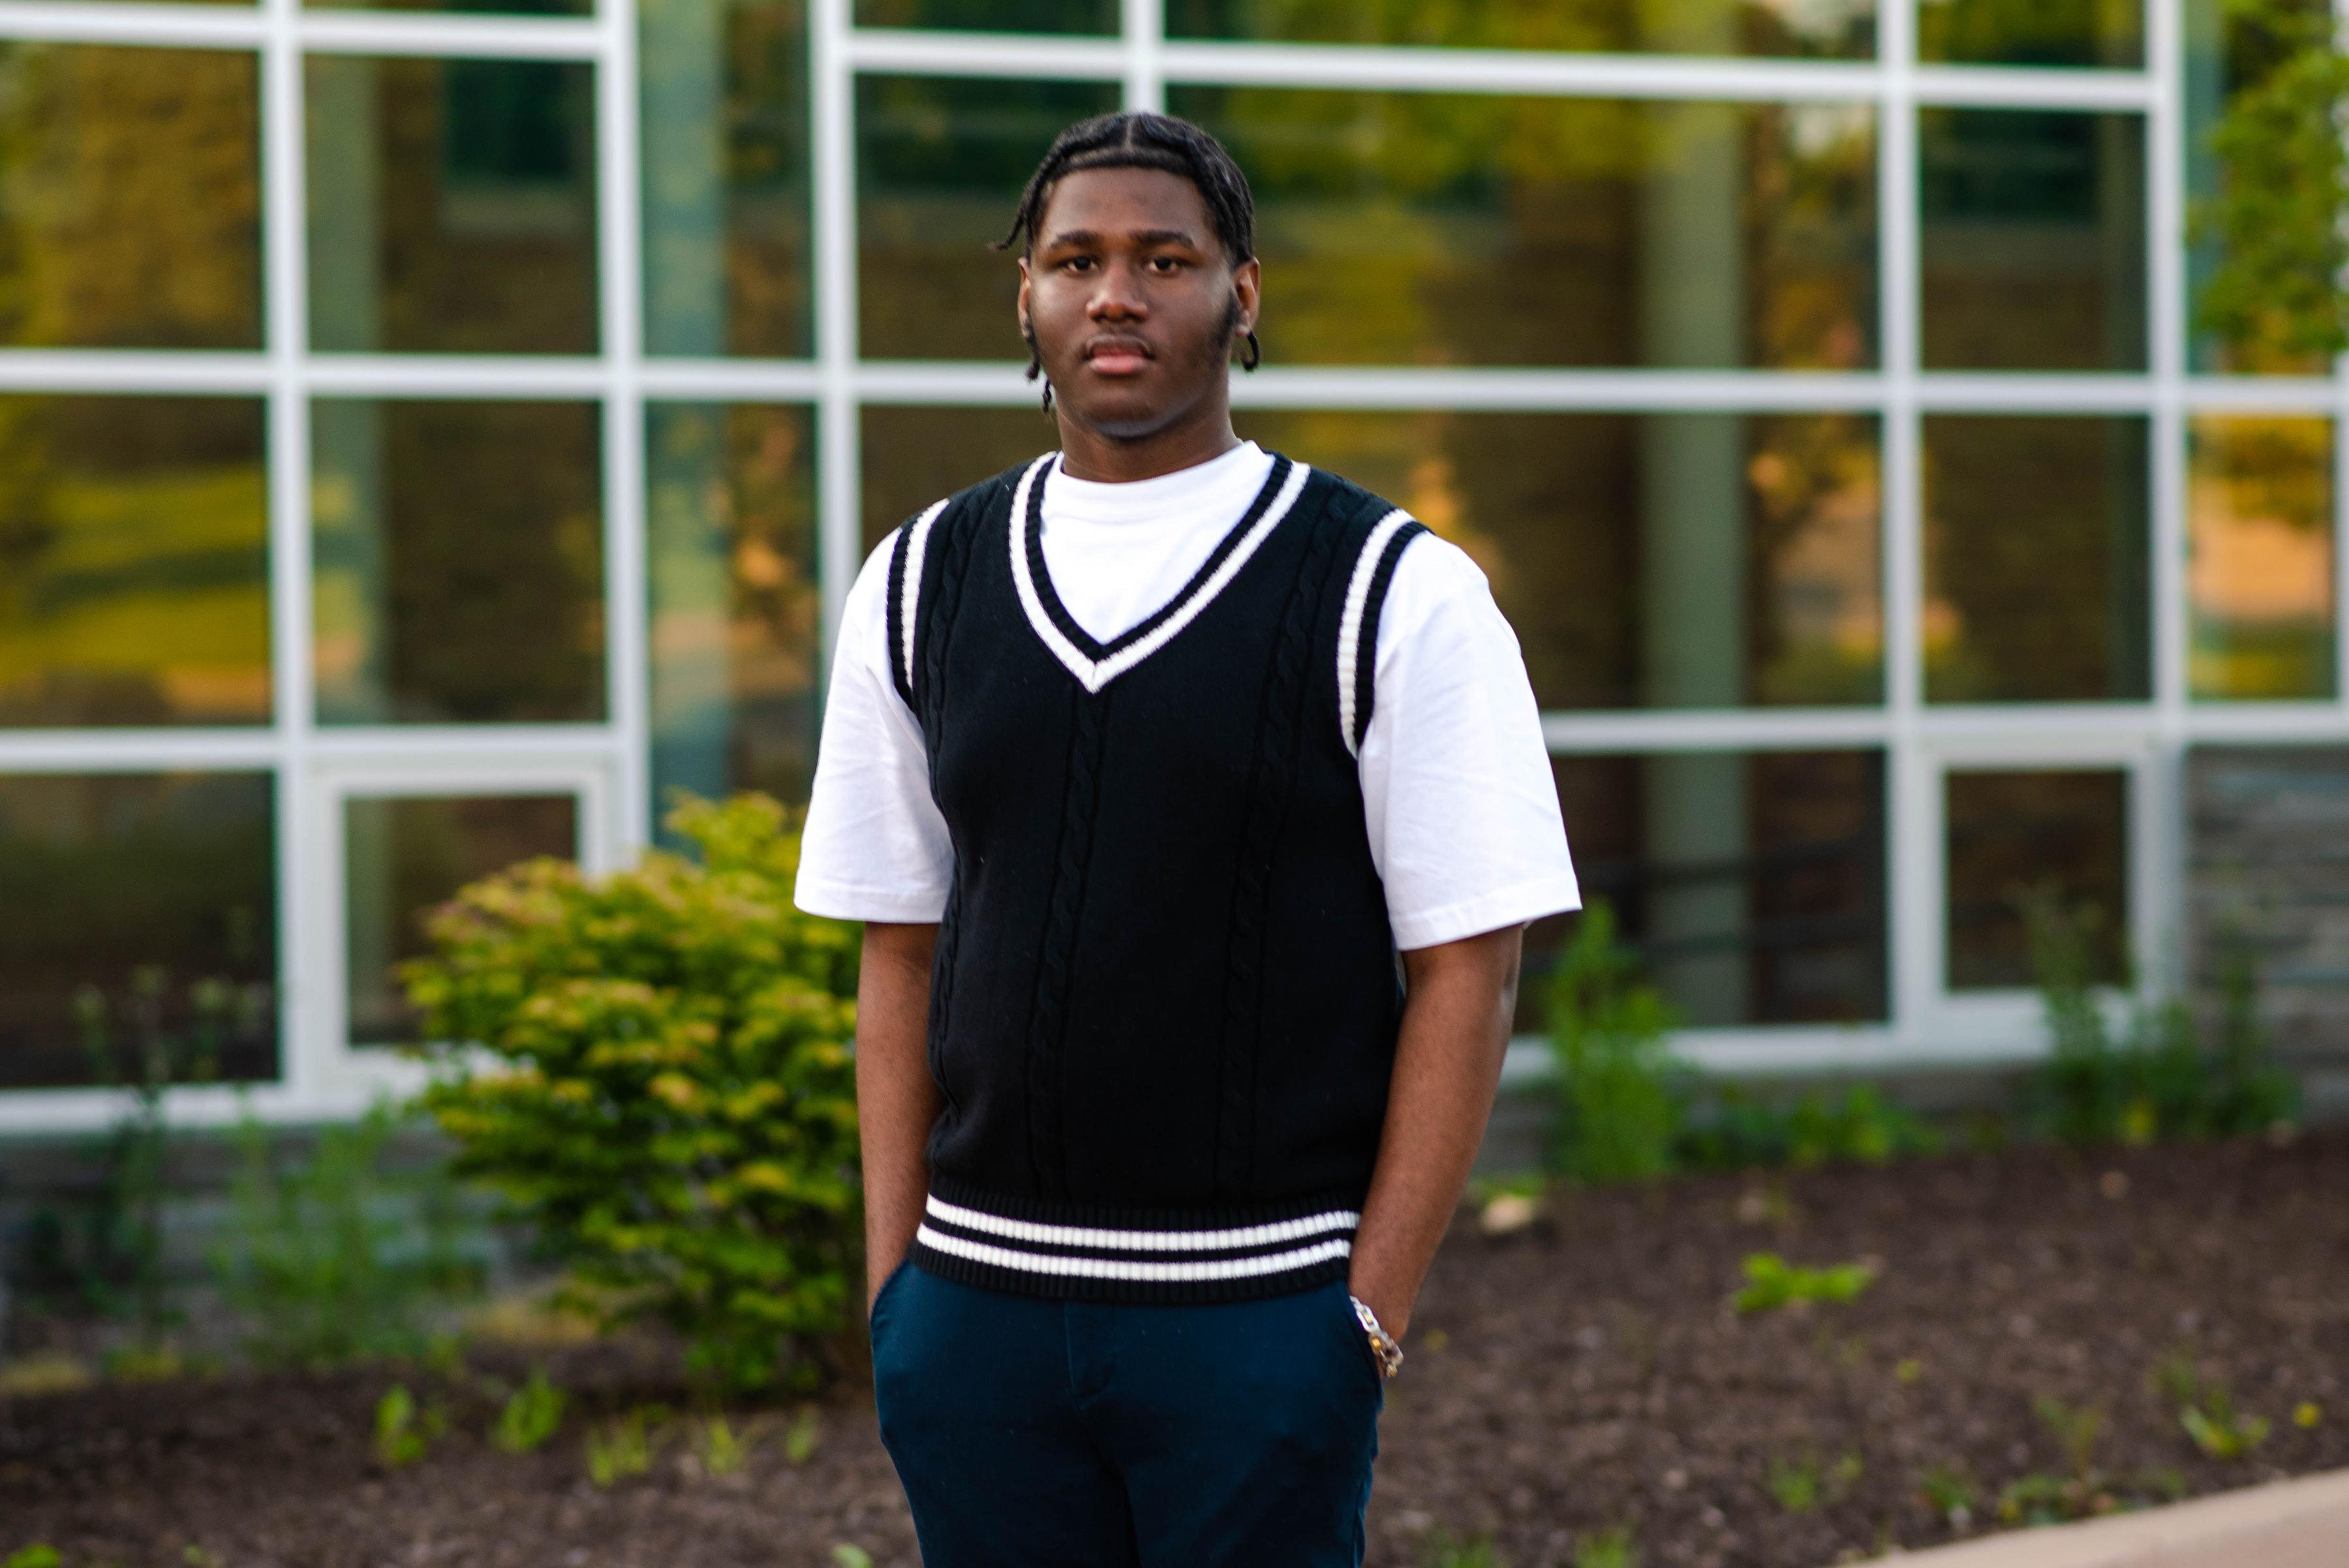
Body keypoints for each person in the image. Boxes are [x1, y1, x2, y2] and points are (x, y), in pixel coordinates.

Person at [794, 110, 1579, 1568]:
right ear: (1022, 297)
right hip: (976, 1324)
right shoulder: (916, 580)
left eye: (1166, 257)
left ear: (1243, 294)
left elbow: (1475, 964)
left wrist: (1365, 1314)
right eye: (1074, 259)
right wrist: (899, 1293)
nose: (1116, 293)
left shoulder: (1392, 587)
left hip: (1260, 1321)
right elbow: (898, 947)